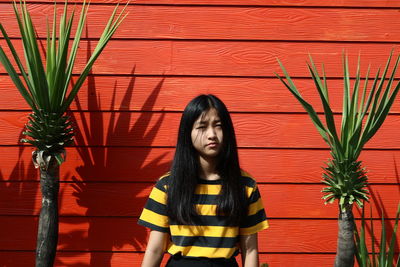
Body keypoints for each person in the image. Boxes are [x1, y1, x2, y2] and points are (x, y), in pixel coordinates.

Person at [138, 94, 269, 267]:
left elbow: (250, 249)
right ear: (188, 133)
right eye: (202, 126)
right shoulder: (168, 185)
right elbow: (155, 248)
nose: (211, 135)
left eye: (218, 126)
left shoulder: (245, 186)